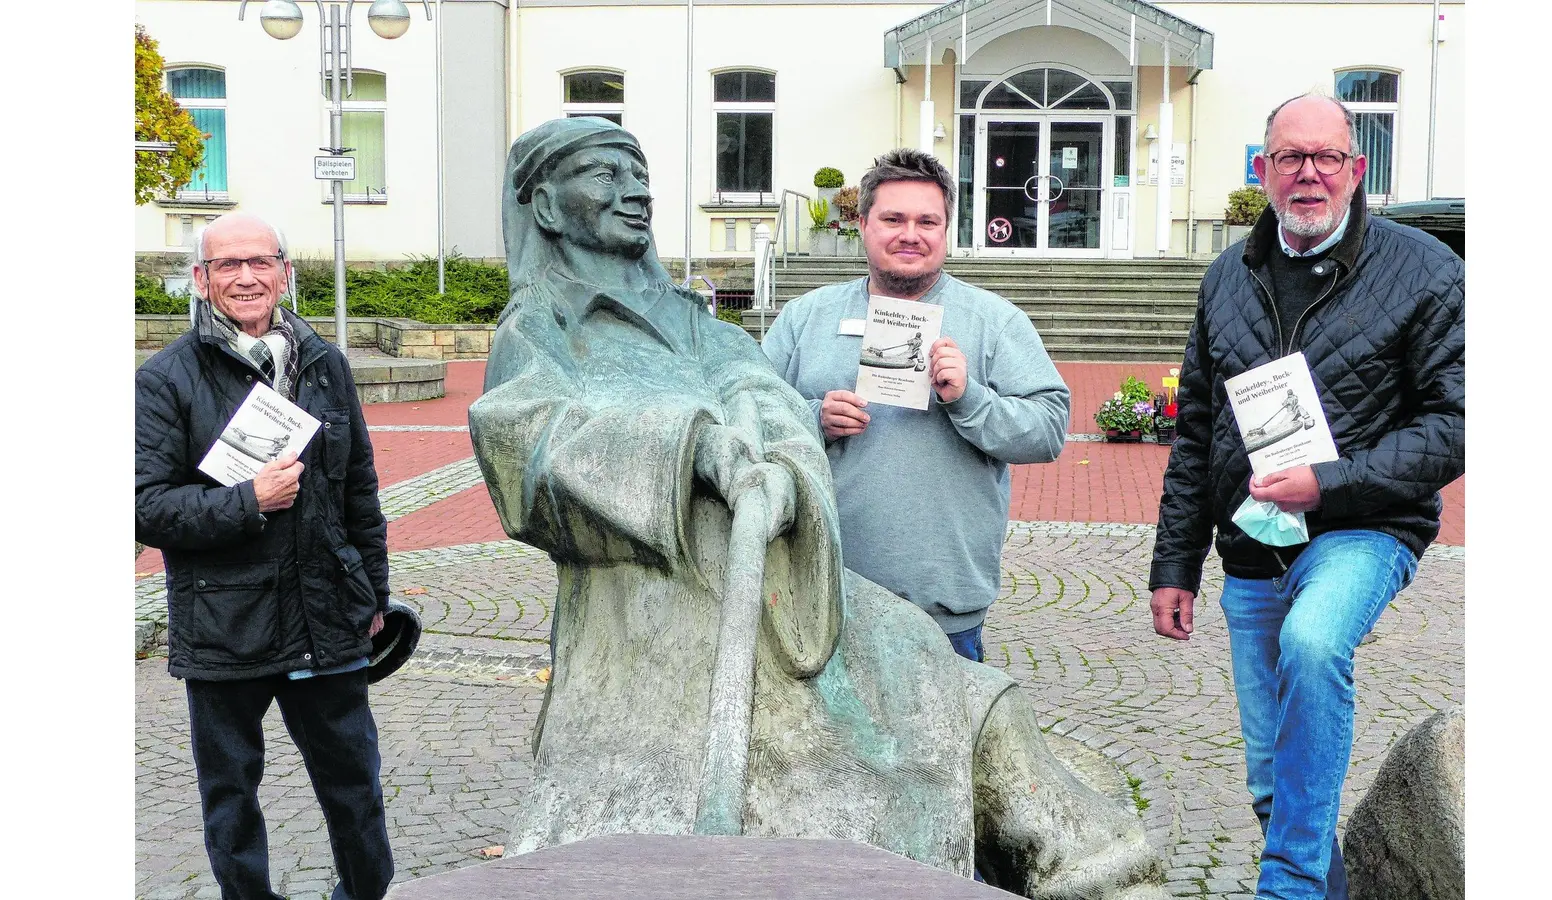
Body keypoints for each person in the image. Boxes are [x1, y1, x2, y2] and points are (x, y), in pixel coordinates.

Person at [468, 117, 1167, 898]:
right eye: (606, 173)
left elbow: (755, 389)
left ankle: (1081, 866)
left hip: (807, 595)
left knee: (948, 691)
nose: (637, 190)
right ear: (549, 208)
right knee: (913, 703)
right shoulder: (539, 330)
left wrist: (781, 432)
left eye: (640, 171)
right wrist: (694, 443)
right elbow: (524, 441)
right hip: (661, 617)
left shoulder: (696, 320)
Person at [1148, 94, 1465, 900]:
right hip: (1253, 543)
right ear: (1263, 172)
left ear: (1358, 171)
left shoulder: (1425, 270)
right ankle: (1322, 882)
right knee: (1270, 780)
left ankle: (1286, 888)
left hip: (1364, 529)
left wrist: (1329, 482)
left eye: (1327, 158)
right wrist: (1174, 564)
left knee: (1317, 643)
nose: (1310, 174)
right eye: (1291, 158)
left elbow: (1456, 422)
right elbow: (1197, 431)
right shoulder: (1227, 275)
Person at [136, 213, 394, 900]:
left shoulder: (324, 363)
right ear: (201, 279)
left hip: (326, 617)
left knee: (356, 788)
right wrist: (248, 499)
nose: (246, 277)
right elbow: (146, 506)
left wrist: (371, 592)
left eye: (259, 262)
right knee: (232, 799)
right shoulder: (166, 379)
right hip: (226, 625)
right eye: (227, 266)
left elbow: (360, 491)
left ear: (284, 271)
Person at [762, 148, 1071, 663]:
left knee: (945, 744)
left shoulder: (995, 322)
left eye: (928, 221)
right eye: (893, 219)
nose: (911, 234)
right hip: (818, 595)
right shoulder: (805, 318)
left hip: (943, 610)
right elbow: (746, 416)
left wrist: (968, 400)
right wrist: (812, 419)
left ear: (947, 228)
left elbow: (1048, 431)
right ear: (862, 224)